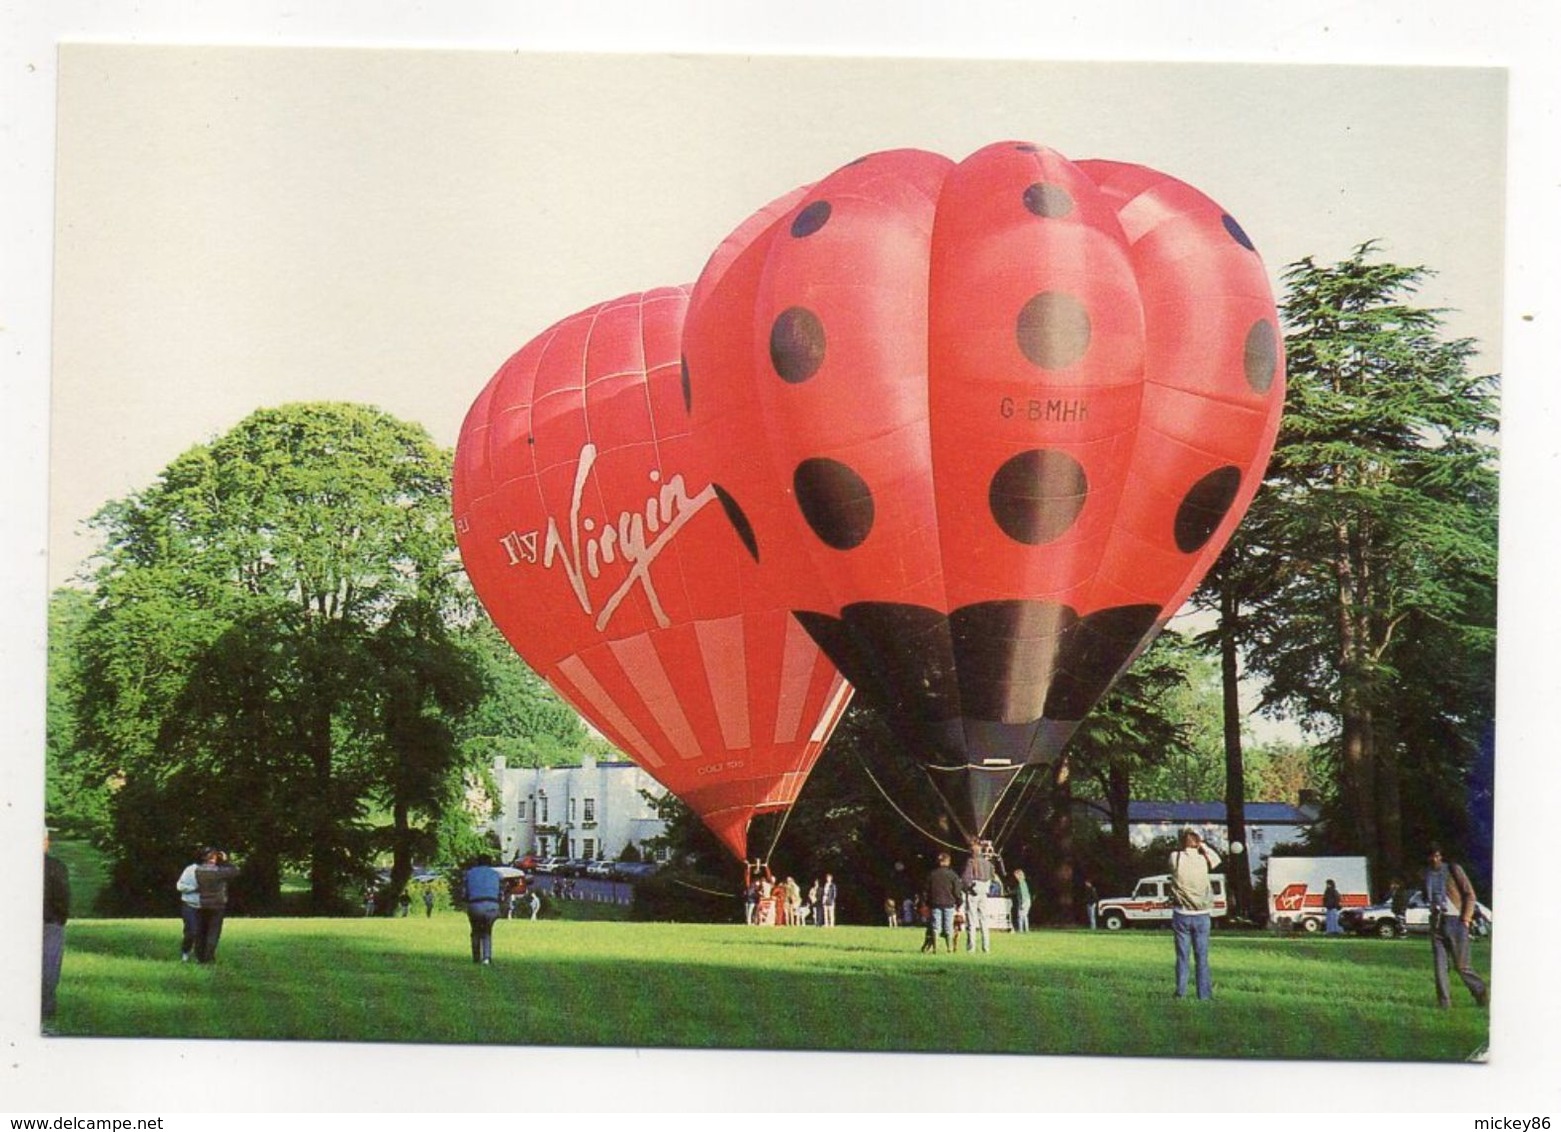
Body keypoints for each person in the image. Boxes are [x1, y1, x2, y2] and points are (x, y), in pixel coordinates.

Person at [1423, 845, 1488, 1008]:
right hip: (1437, 923)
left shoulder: (1453, 870)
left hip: (1456, 922)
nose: (1434, 860)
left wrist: (1466, 918)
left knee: (1462, 966)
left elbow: (1470, 894)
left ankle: (1480, 991)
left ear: (1441, 856)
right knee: (1440, 967)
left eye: (1437, 856)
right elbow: (1426, 895)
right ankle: (1444, 1004)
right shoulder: (1426, 874)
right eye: (1431, 857)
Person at [1168, 828, 1221, 999]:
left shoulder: (1175, 858)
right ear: (1197, 841)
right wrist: (1203, 846)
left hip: (1181, 913)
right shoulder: (1203, 860)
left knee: (1182, 957)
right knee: (1202, 958)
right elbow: (1217, 860)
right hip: (1202, 914)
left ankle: (1180, 992)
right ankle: (1203, 995)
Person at [192, 848, 240, 963]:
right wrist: (225, 861)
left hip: (201, 903)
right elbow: (235, 871)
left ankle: (200, 957)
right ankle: (209, 957)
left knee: (201, 931)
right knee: (213, 931)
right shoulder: (218, 871)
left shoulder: (198, 870)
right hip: (217, 904)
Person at [43, 831, 70, 1029]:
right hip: (50, 922)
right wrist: (61, 919)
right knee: (49, 968)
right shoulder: (55, 866)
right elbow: (62, 897)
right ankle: (46, 1011)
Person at [463, 856, 503, 965]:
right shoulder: (496, 874)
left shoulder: (470, 873)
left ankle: (476, 957)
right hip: (492, 906)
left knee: (475, 931)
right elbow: (501, 893)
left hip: (475, 905)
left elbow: (465, 893)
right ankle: (486, 958)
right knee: (487, 931)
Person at [960, 839, 993, 953]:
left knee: (972, 920)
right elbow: (991, 876)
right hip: (985, 889)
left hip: (974, 889)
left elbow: (966, 878)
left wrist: (967, 888)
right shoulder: (988, 863)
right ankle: (986, 947)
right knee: (984, 920)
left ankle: (971, 948)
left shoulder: (971, 861)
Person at [925, 852, 961, 953]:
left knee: (936, 926)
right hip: (949, 904)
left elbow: (926, 890)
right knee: (948, 926)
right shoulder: (953, 875)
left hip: (935, 904)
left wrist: (927, 903)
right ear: (948, 862)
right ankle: (949, 948)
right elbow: (957, 891)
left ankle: (935, 948)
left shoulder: (932, 874)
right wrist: (959, 902)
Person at [176, 852, 203, 961]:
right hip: (189, 904)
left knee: (202, 933)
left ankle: (200, 955)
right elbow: (180, 886)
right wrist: (193, 888)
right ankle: (185, 952)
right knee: (191, 931)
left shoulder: (215, 870)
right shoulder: (190, 870)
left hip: (206, 906)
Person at [1011, 868, 1031, 933]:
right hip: (1027, 901)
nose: (1015, 877)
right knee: (1024, 916)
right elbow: (1017, 891)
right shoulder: (1023, 883)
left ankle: (1021, 930)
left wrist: (1022, 903)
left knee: (1020, 916)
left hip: (1024, 901)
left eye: (1016, 876)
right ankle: (1026, 930)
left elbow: (1023, 893)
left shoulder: (1021, 883)